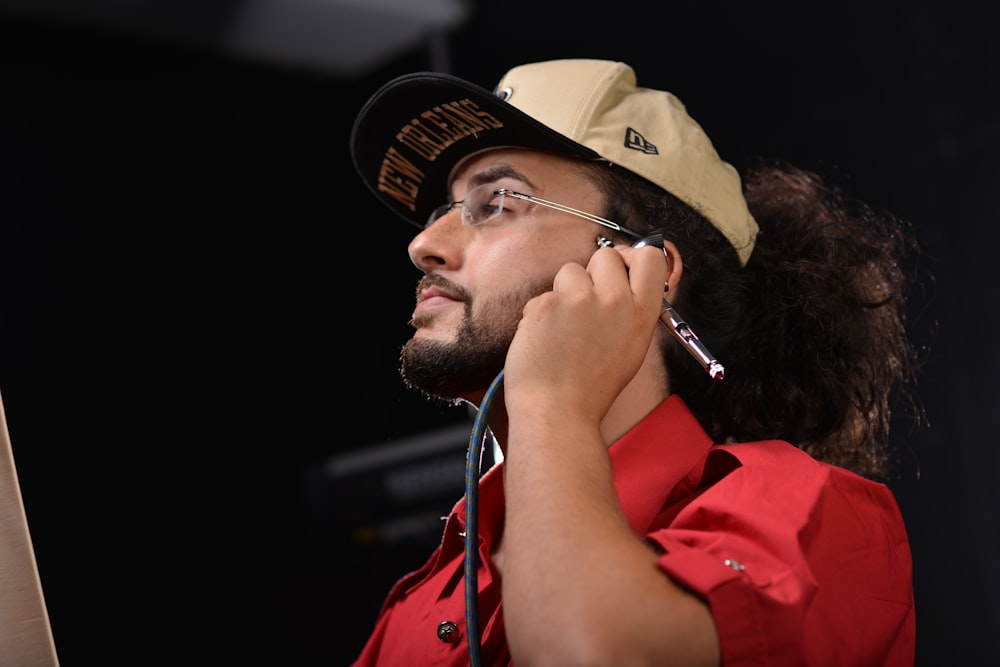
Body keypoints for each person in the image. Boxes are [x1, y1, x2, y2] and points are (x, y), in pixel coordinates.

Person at [348, 58, 923, 666]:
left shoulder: (813, 514)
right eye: (446, 210)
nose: (423, 244)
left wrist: (554, 405)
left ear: (644, 270)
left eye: (496, 203)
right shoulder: (425, 595)